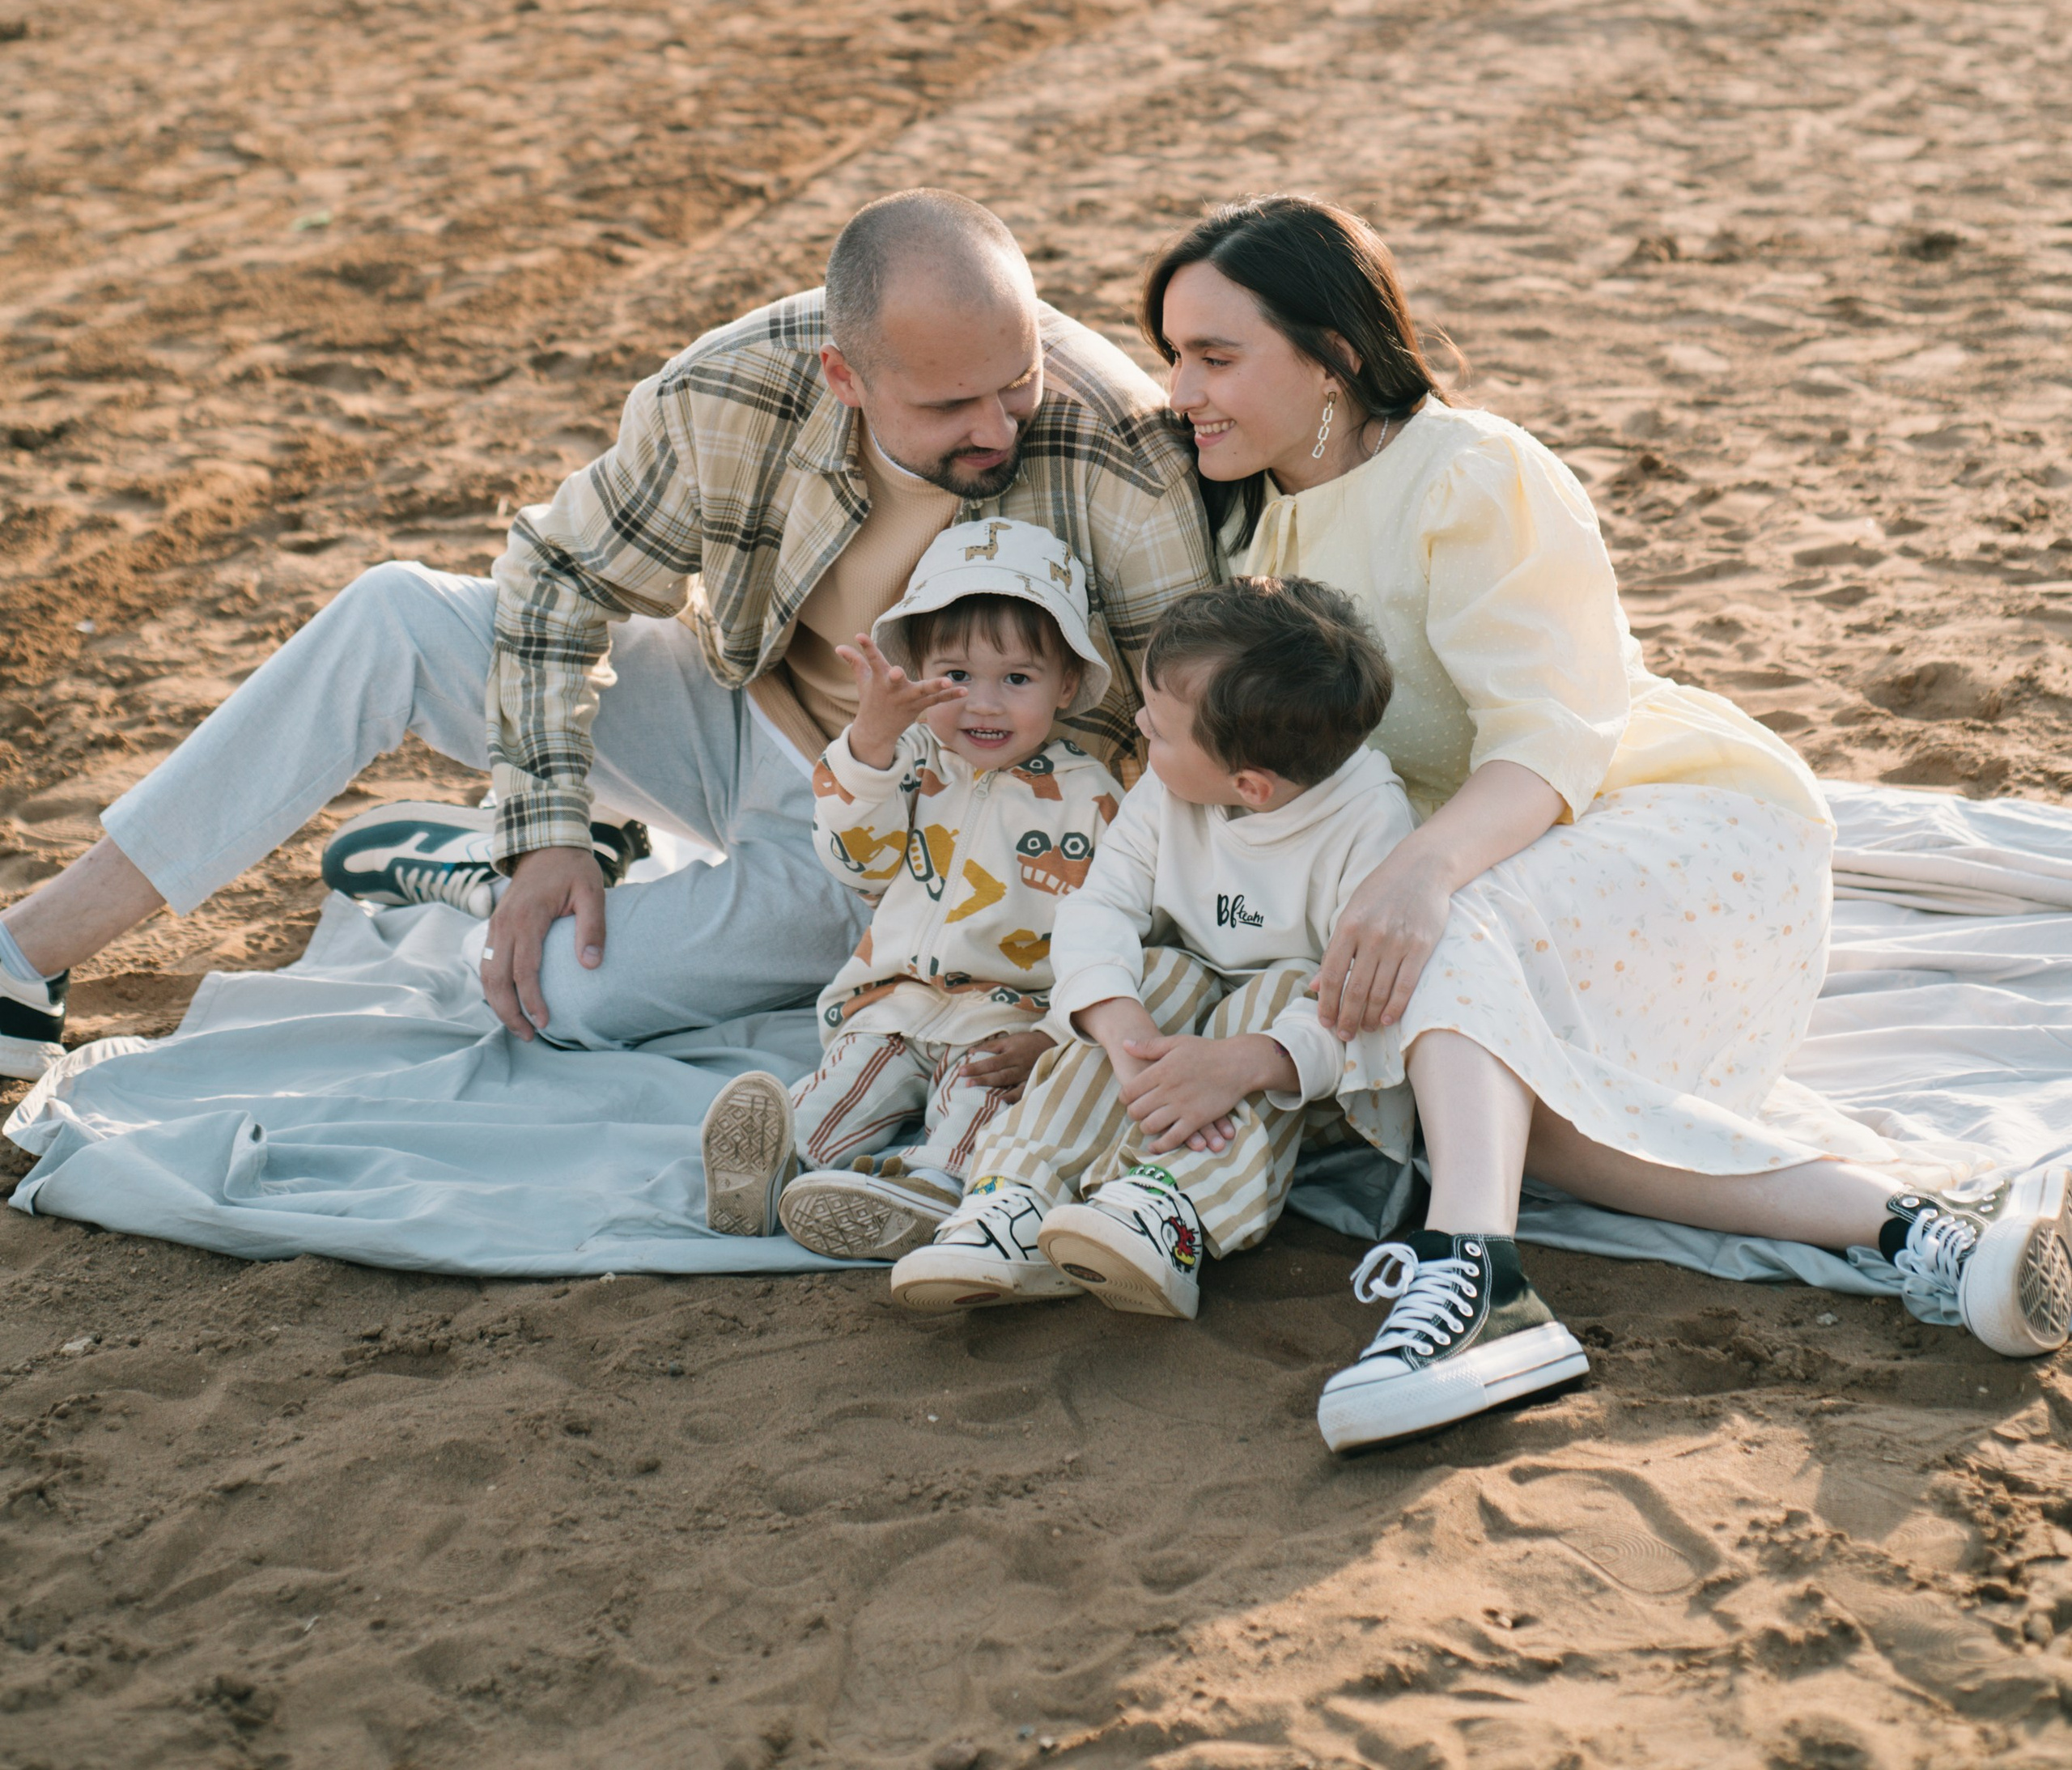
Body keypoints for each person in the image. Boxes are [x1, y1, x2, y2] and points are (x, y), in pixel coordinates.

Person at [1138, 194, 2072, 1452]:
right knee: (1548, 1129)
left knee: (1440, 933)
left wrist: (1420, 869)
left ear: (1333, 355)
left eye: (1215, 354)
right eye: (1170, 353)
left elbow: (1554, 737)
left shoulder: (1472, 470)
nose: (1182, 388)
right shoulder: (1259, 515)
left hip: (1674, 823)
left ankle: (1476, 1276)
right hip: (1511, 875)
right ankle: (1924, 1233)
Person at [0, 192, 1215, 1082]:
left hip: (920, 834)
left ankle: (489, 866)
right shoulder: (736, 388)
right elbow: (557, 578)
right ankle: (28, 952)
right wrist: (548, 827)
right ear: (844, 373)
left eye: (1016, 381)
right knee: (392, 610)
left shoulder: (1115, 443)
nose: (999, 423)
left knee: (563, 994)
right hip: (739, 714)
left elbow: (1178, 731)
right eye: (950, 404)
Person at [891, 581, 1471, 1341]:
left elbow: (1358, 1007)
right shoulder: (1170, 790)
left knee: (1285, 986)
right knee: (1154, 974)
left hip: (1298, 1072)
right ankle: (1016, 1199)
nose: (1138, 728)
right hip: (1184, 1033)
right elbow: (1098, 908)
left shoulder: (1369, 824)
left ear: (1250, 786)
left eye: (1159, 730)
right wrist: (1121, 1027)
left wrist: (1242, 1063)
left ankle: (1168, 1210)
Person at [698, 518, 1122, 1264]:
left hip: (1008, 1012)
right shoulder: (907, 761)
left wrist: (1054, 1038)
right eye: (955, 676)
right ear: (919, 670)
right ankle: (778, 1166)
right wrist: (868, 746)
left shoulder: (1090, 796)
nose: (982, 704)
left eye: (1016, 679)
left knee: (982, 1097)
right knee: (849, 1080)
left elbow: (1109, 936)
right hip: (890, 998)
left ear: (1065, 685)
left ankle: (933, 1188)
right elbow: (856, 860)